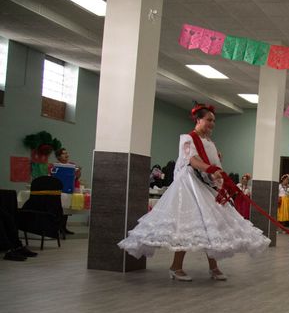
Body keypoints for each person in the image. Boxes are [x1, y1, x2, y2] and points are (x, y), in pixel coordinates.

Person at [118, 103, 269, 281]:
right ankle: (175, 267)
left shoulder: (210, 143)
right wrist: (212, 170)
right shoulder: (188, 139)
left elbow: (213, 166)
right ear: (198, 120)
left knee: (209, 225)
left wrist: (218, 179)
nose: (212, 123)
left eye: (214, 120)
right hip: (188, 185)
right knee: (187, 224)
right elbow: (193, 160)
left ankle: (213, 267)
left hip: (203, 185)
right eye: (209, 120)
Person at [53, 147, 81, 236]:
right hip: (58, 191)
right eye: (63, 153)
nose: (66, 155)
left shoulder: (72, 165)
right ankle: (57, 228)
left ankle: (63, 228)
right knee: (59, 210)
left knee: (66, 210)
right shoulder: (55, 166)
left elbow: (76, 178)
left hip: (69, 190)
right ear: (58, 157)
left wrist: (79, 172)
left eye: (66, 153)